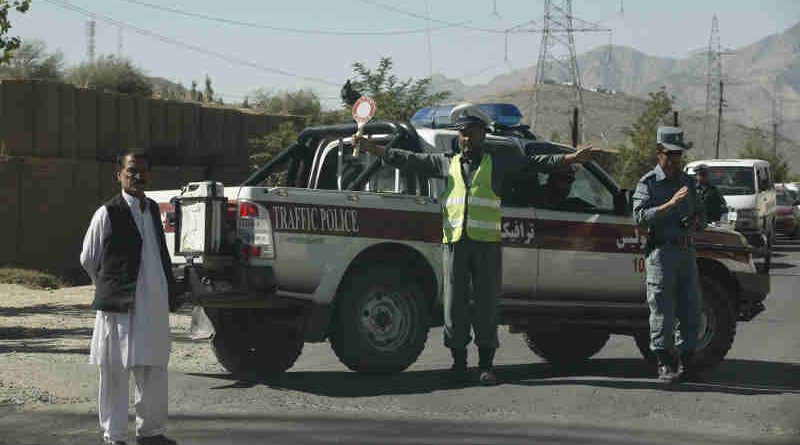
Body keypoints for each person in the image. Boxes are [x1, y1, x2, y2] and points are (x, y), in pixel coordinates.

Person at [355, 103, 600, 385]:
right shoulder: (447, 163)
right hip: (456, 244)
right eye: (462, 134)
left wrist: (571, 159)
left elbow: (538, 162)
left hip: (486, 245)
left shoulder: (499, 163)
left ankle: (486, 365)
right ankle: (458, 364)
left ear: (483, 134)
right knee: (454, 305)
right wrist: (372, 148)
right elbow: (408, 159)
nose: (466, 139)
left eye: (471, 133)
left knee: (485, 305)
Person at [80, 149, 180, 445]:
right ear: (119, 174)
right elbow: (89, 257)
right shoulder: (107, 213)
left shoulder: (151, 210)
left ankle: (151, 432)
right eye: (132, 170)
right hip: (119, 308)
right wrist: (110, 286)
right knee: (115, 371)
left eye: (143, 171)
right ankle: (115, 436)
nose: (138, 176)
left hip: (153, 306)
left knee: (153, 369)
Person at [632, 127, 704, 385]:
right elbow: (639, 217)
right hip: (662, 251)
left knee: (691, 309)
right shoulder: (648, 183)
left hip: (686, 250)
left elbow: (700, 215)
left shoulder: (687, 182)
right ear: (659, 153)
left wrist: (696, 220)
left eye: (679, 154)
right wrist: (670, 204)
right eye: (671, 154)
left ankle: (688, 360)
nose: (675, 159)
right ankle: (666, 362)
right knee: (663, 308)